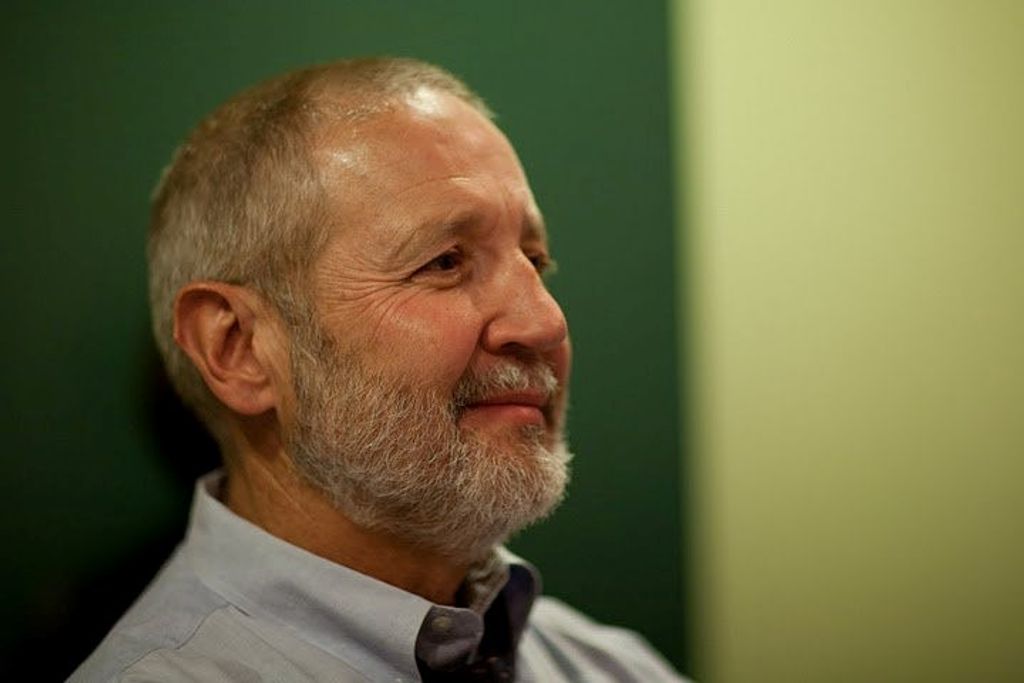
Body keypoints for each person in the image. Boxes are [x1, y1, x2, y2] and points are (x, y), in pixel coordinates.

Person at [72, 57, 686, 682]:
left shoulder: (617, 668)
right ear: (240, 348)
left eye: (535, 260)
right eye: (445, 262)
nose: (546, 323)